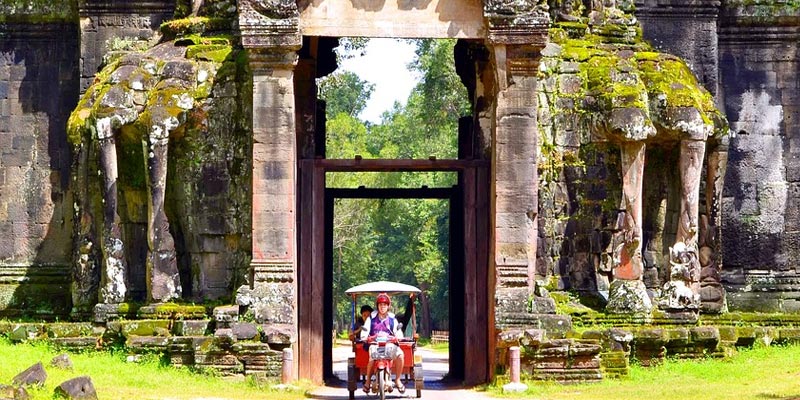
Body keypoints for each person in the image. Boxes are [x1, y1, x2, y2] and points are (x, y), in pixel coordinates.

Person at [361, 292, 405, 394]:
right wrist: (366, 337)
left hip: (390, 344)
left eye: (385, 305)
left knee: (401, 355)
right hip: (375, 344)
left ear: (388, 306)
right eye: (380, 305)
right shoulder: (370, 319)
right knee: (372, 358)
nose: (382, 307)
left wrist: (397, 337)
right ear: (377, 306)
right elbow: (365, 331)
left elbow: (398, 332)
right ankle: (367, 382)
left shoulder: (392, 319)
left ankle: (398, 380)